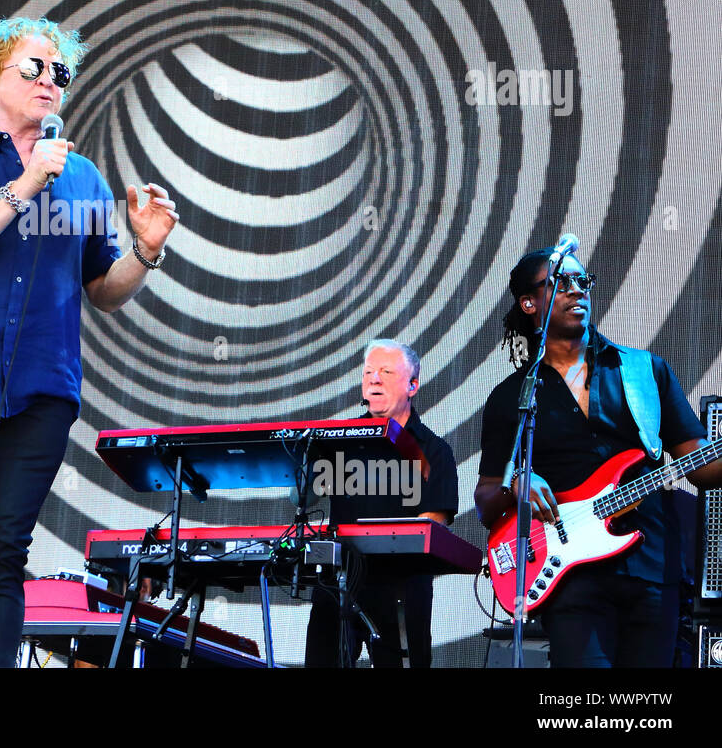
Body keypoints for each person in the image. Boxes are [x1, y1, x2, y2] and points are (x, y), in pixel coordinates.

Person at [0, 17, 179, 667]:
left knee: (0, 552)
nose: (51, 79)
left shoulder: (83, 180)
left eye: (61, 72)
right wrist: (23, 186)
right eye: (34, 67)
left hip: (42, 392)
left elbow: (103, 289)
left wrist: (146, 250)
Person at [474, 247, 722, 667]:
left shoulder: (645, 371)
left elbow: (700, 467)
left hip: (652, 567)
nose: (577, 291)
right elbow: (484, 499)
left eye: (582, 281)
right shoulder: (511, 398)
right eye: (561, 283)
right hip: (570, 577)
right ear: (529, 303)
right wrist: (516, 484)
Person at [304, 340, 458, 668]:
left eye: (386, 372)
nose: (374, 379)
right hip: (339, 580)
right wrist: (303, 458)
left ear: (412, 385)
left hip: (401, 589)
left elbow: (433, 526)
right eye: (368, 373)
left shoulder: (434, 450)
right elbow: (303, 497)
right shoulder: (338, 441)